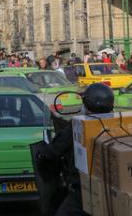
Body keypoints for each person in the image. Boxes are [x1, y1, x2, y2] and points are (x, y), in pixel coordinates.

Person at [36, 83, 114, 215]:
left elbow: (52, 152)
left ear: (86, 104)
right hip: (112, 190)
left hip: (83, 191)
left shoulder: (78, 126)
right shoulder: (122, 123)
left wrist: (42, 154)